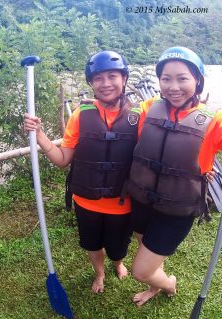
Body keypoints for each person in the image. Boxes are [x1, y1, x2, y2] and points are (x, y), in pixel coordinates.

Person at [126, 46, 222, 306]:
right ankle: (157, 283)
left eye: (182, 78)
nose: (173, 86)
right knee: (146, 248)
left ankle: (168, 284)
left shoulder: (215, 121)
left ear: (197, 80)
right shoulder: (147, 108)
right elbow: (122, 121)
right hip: (142, 200)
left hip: (176, 210)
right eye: (166, 78)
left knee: (141, 271)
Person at [24, 51, 139, 293]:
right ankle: (99, 274)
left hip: (122, 202)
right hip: (86, 202)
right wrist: (40, 134)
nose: (105, 83)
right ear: (91, 83)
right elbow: (62, 159)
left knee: (118, 247)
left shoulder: (139, 117)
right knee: (92, 244)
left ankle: (118, 263)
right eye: (98, 78)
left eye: (112, 76)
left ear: (124, 78)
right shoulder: (80, 116)